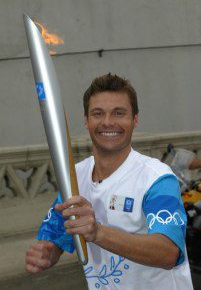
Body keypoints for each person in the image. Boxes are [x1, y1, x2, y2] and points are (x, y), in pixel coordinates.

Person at [25, 73, 193, 289]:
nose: (107, 122)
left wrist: (98, 232)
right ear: (86, 121)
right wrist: (47, 253)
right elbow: (56, 237)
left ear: (135, 119)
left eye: (119, 113)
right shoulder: (74, 178)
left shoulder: (157, 178)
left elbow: (168, 252)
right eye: (97, 113)